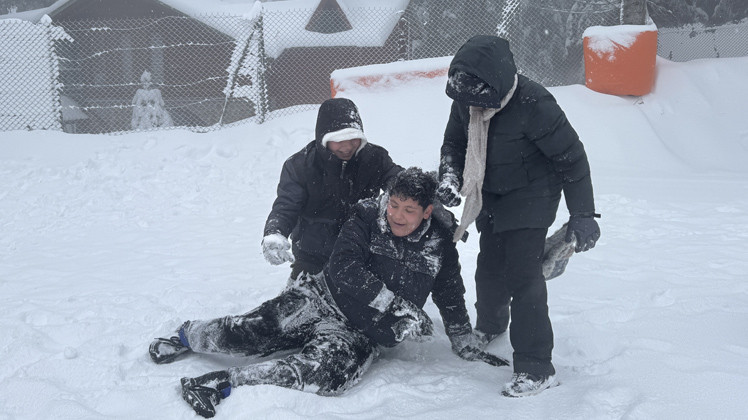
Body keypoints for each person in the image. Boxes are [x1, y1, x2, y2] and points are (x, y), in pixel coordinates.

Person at [149, 168, 490, 418]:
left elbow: (449, 293)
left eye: (409, 210)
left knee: (326, 375)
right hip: (319, 299)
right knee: (249, 333)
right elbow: (343, 267)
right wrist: (393, 304)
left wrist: (462, 337)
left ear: (427, 211)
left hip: (361, 333)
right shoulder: (367, 216)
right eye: (394, 204)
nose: (397, 215)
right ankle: (186, 335)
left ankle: (222, 383)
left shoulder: (439, 245)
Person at [436, 35, 601, 397]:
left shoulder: (534, 103)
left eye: (478, 95)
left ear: (496, 80)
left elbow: (572, 158)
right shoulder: (467, 97)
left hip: (532, 194)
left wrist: (583, 213)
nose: (471, 103)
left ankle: (536, 366)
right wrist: (449, 175)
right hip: (490, 192)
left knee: (523, 276)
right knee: (489, 267)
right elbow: (455, 142)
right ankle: (491, 324)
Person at [261, 97, 402, 279]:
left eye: (353, 138)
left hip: (362, 249)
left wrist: (426, 190)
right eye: (338, 140)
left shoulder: (374, 158)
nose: (347, 146)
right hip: (313, 254)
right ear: (323, 138)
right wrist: (275, 231)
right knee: (304, 292)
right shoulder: (300, 166)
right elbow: (286, 205)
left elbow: (400, 184)